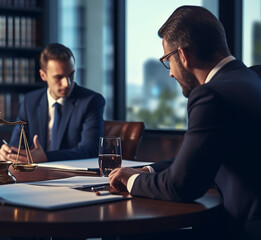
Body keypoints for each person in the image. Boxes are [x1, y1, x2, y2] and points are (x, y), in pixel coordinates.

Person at [109, 6, 261, 239]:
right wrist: (148, 170)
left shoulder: (212, 95)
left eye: (167, 60)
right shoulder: (252, 78)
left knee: (124, 235)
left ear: (182, 55)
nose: (170, 73)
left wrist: (132, 180)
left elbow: (181, 186)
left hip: (239, 230)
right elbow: (199, 159)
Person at [0, 43, 105, 163]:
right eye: (59, 77)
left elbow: (90, 150)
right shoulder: (30, 101)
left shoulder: (91, 101)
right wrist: (8, 152)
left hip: (73, 175)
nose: (67, 83)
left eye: (71, 75)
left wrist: (46, 157)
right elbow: (17, 145)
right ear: (43, 75)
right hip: (36, 173)